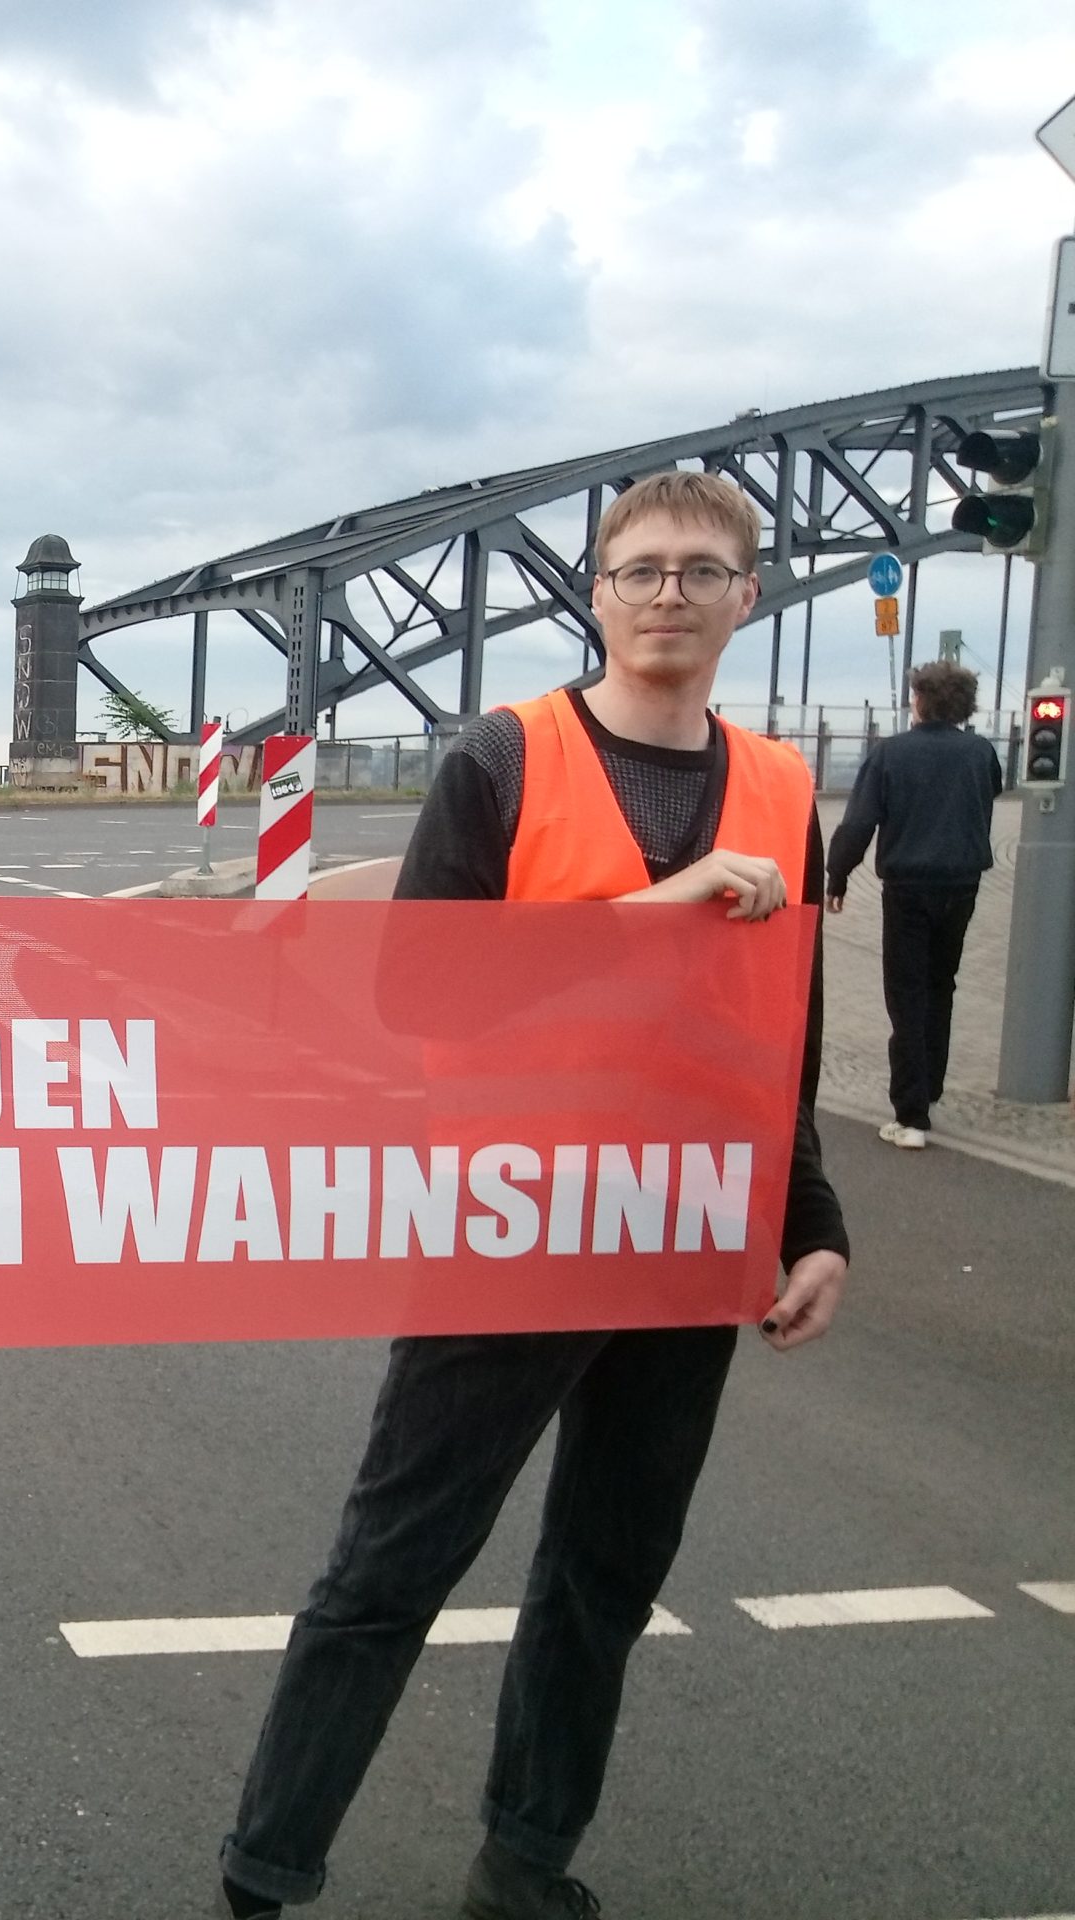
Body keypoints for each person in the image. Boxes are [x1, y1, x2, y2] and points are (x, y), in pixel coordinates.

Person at [216, 472, 848, 1920]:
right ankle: (265, 1873)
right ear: (596, 592)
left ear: (748, 597)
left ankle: (525, 1864)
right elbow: (419, 995)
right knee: (394, 1563)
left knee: (604, 1578)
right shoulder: (503, 760)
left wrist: (810, 1223)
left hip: (684, 1236)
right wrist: (653, 912)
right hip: (512, 1227)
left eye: (702, 570)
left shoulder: (783, 789)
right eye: (642, 569)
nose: (670, 593)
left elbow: (785, 1033)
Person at [825, 659, 1003, 1149]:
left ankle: (911, 1116)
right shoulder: (981, 753)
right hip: (962, 884)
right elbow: (990, 795)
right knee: (941, 986)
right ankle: (930, 1087)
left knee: (906, 995)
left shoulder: (891, 754)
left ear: (919, 700)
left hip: (906, 887)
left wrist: (838, 875)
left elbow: (859, 822)